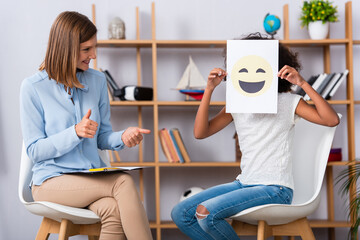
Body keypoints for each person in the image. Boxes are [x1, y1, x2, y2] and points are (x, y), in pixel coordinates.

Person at [171, 33, 340, 240]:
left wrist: (302, 83)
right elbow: (200, 132)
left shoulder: (288, 102)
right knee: (181, 213)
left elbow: (331, 120)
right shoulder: (237, 105)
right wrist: (209, 89)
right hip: (244, 183)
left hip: (276, 188)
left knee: (207, 213)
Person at [20, 11, 153, 240]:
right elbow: (34, 150)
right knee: (123, 182)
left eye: (94, 47)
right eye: (86, 49)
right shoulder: (33, 88)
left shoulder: (97, 80)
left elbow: (102, 137)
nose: (93, 55)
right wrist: (74, 133)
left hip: (91, 176)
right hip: (50, 181)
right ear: (65, 48)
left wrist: (123, 137)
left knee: (112, 210)